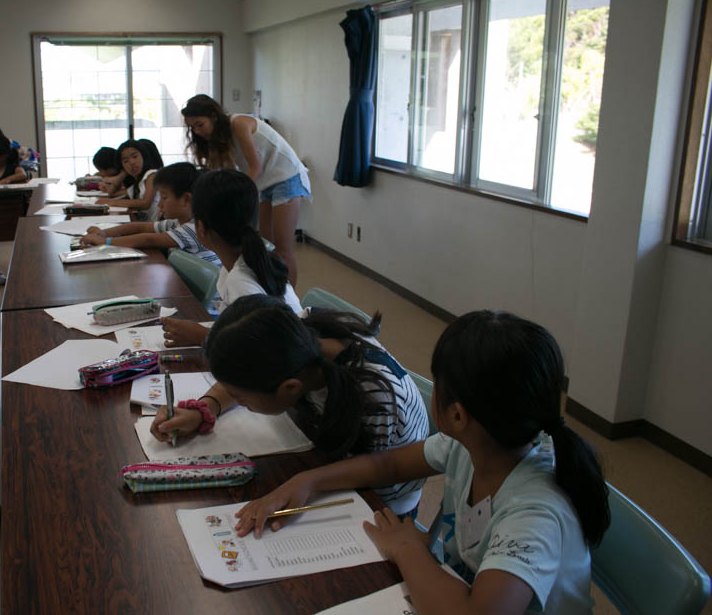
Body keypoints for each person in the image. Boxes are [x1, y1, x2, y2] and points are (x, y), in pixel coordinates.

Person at [234, 310, 611, 615]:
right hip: (449, 583)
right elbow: (389, 466)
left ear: (458, 414)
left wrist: (408, 549)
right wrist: (307, 482)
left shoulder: (533, 515)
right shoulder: (471, 445)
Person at [153, 294, 429, 514]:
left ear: (290, 388)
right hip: (325, 454)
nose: (238, 402)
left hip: (381, 501)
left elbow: (378, 469)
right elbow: (244, 372)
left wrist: (309, 480)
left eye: (242, 399)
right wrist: (205, 408)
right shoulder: (297, 329)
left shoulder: (375, 398)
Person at [160, 169, 301, 347]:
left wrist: (203, 336)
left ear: (201, 228)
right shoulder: (248, 262)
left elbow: (263, 347)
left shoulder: (241, 282)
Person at [182, 93, 310, 286]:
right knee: (267, 246)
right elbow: (226, 170)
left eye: (200, 124)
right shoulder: (219, 138)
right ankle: (273, 291)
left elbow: (254, 167)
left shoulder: (239, 124)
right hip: (266, 182)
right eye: (192, 127)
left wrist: (234, 196)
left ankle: (290, 301)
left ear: (213, 116)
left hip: (287, 176)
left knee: (283, 249)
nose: (197, 131)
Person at [77, 162, 219, 265]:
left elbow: (147, 239)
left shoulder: (194, 229)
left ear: (186, 199)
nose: (159, 204)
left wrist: (105, 242)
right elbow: (140, 227)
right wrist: (104, 233)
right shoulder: (177, 222)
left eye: (164, 197)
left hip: (201, 303)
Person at [95, 140, 161, 220]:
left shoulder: (151, 175)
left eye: (135, 156)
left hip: (153, 227)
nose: (132, 162)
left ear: (143, 156)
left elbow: (145, 203)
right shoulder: (136, 184)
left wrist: (110, 202)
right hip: (142, 224)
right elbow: (112, 194)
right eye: (125, 161)